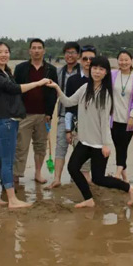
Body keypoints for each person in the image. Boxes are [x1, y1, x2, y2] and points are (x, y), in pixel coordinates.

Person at [47, 56, 133, 208]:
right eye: (95, 68)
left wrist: (106, 144)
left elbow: (105, 122)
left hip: (99, 144)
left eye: (101, 69)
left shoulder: (106, 94)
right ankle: (88, 199)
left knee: (98, 178)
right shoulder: (84, 88)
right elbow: (68, 101)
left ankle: (131, 188)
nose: (97, 71)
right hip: (84, 141)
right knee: (72, 168)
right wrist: (57, 88)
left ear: (106, 73)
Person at [0, 42, 51, 208]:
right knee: (8, 161)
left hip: (10, 120)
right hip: (5, 120)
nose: (4, 55)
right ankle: (12, 199)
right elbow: (13, 88)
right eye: (0, 52)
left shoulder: (5, 72)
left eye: (6, 52)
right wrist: (38, 83)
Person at [13, 38, 58, 184]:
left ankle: (38, 173)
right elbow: (15, 90)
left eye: (39, 48)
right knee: (21, 146)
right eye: (34, 48)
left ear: (44, 51)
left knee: (40, 146)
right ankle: (16, 174)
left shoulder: (51, 70)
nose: (37, 50)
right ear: (29, 51)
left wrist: (49, 113)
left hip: (43, 114)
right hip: (24, 114)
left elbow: (53, 93)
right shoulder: (20, 68)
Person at [46, 42, 81, 189]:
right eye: (67, 52)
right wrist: (49, 113)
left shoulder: (83, 72)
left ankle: (77, 178)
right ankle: (57, 179)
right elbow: (53, 94)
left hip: (81, 118)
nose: (69, 55)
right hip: (62, 115)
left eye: (72, 52)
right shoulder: (59, 72)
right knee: (60, 148)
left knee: (79, 149)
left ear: (78, 55)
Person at [62, 46, 98, 184]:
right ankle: (81, 182)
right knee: (79, 157)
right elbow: (69, 107)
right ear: (80, 60)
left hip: (96, 127)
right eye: (85, 59)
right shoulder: (73, 80)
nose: (88, 61)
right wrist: (68, 130)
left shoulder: (101, 80)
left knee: (94, 157)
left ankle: (86, 181)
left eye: (91, 59)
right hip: (78, 126)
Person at [110, 50, 133, 181]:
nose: (123, 62)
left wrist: (132, 116)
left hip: (128, 120)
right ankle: (125, 178)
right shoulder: (112, 75)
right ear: (117, 61)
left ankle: (117, 175)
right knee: (118, 147)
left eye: (126, 59)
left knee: (123, 146)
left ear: (131, 61)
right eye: (121, 60)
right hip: (113, 118)